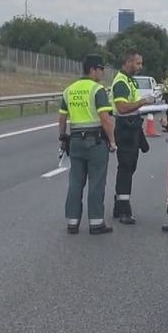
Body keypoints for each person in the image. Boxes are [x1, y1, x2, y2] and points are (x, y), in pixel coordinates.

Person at [58, 54, 116, 235]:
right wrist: (112, 141)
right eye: (101, 69)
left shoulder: (69, 90)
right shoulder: (97, 90)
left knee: (75, 182)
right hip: (95, 142)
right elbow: (105, 118)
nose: (102, 73)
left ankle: (72, 222)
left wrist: (62, 137)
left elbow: (62, 117)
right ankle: (96, 223)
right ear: (92, 69)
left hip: (74, 142)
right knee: (96, 182)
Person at [110, 50, 157, 225]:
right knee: (126, 167)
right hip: (125, 128)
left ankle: (118, 204)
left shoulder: (129, 81)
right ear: (128, 62)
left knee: (129, 167)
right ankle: (123, 209)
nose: (140, 67)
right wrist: (143, 102)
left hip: (132, 127)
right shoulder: (121, 82)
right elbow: (122, 107)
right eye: (137, 63)